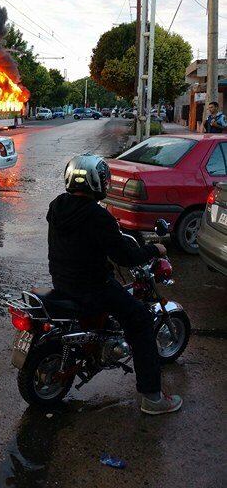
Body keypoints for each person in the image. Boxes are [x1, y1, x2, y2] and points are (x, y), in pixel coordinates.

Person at [46, 153, 182, 415]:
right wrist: (154, 250)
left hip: (62, 282)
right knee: (140, 319)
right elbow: (125, 257)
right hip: (92, 288)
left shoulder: (57, 206)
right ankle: (153, 398)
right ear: (97, 183)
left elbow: (88, 240)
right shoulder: (97, 216)